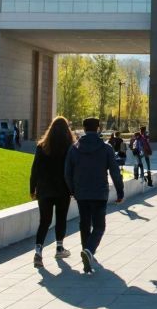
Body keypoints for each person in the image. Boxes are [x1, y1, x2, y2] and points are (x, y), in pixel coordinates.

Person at [64, 117, 125, 274]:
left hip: (81, 193)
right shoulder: (106, 148)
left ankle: (87, 258)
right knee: (99, 226)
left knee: (84, 224)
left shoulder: (74, 148)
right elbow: (115, 171)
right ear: (98, 128)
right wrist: (120, 191)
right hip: (99, 192)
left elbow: (67, 173)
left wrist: (72, 190)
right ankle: (89, 251)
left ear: (84, 129)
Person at [29, 117, 73, 268]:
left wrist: (32, 188)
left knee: (44, 221)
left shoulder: (42, 147)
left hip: (44, 190)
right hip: (63, 190)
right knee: (61, 219)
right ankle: (59, 248)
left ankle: (38, 252)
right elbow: (71, 170)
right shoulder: (69, 147)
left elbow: (35, 169)